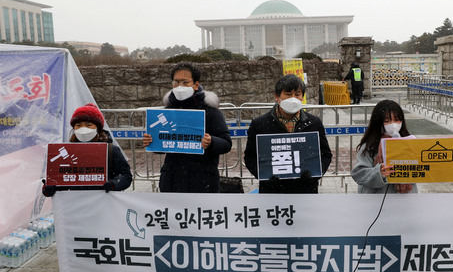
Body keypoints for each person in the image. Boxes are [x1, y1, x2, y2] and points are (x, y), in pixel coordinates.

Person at [142, 62, 232, 193]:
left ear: (196, 85)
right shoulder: (167, 112)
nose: (180, 87)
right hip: (172, 180)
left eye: (185, 82)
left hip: (203, 181)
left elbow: (226, 143)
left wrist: (211, 142)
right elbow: (165, 145)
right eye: (176, 82)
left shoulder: (210, 111)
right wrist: (152, 142)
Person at [244, 74, 332, 193]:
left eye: (297, 94)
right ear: (277, 96)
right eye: (288, 94)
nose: (293, 98)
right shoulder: (260, 124)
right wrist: (264, 175)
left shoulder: (313, 123)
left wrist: (315, 174)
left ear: (302, 97)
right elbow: (250, 157)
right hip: (273, 191)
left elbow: (325, 154)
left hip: (305, 191)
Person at [41, 103, 132, 196]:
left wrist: (113, 184)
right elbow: (64, 180)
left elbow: (125, 176)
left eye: (88, 125)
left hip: (104, 203)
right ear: (74, 128)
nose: (83, 128)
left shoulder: (111, 150)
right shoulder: (68, 152)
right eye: (78, 125)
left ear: (98, 128)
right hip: (76, 204)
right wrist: (51, 186)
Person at [351, 99, 417, 194]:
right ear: (378, 123)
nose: (393, 124)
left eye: (397, 120)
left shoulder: (409, 143)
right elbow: (359, 174)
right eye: (387, 121)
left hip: (404, 200)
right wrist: (379, 173)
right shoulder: (369, 147)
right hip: (376, 201)